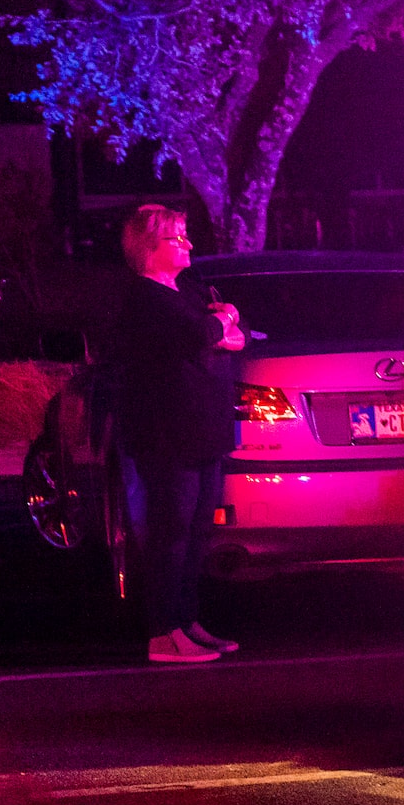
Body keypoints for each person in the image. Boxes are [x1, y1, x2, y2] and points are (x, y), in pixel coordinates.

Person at [109, 204, 244, 664]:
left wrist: (220, 326)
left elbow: (226, 332)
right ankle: (162, 632)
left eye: (185, 235)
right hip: (169, 434)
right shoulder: (144, 299)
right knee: (171, 531)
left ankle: (188, 621)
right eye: (176, 237)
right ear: (149, 247)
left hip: (204, 430)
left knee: (198, 531)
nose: (188, 243)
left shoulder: (184, 291)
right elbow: (202, 333)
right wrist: (219, 324)